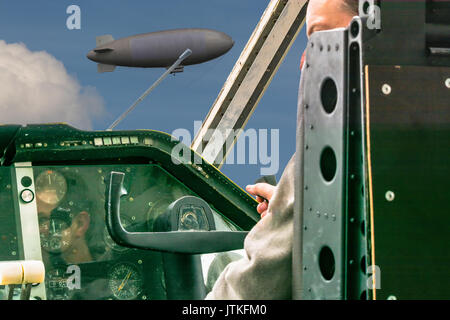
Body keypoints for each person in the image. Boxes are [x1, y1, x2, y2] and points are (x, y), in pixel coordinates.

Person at [205, 0, 359, 300]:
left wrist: (299, 210)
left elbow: (246, 293)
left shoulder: (332, 145)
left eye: (320, 37)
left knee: (218, 267)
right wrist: (293, 205)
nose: (304, 60)